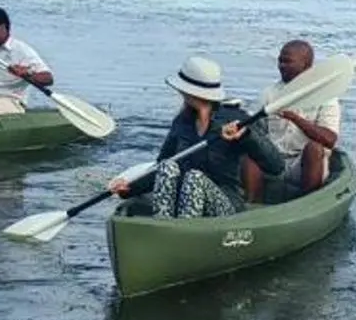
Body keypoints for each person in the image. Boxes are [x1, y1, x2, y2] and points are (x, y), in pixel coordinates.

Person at [110, 54, 293, 218]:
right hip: (182, 203)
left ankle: (187, 231)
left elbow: (276, 166)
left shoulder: (236, 120)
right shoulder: (182, 122)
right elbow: (160, 167)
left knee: (194, 178)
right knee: (167, 166)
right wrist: (129, 188)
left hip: (225, 203)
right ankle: (165, 226)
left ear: (187, 91)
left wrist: (246, 136)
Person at [266, 38, 342, 190]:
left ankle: (310, 199)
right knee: (249, 149)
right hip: (274, 160)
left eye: (287, 62)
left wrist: (295, 118)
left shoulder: (326, 96)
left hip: (303, 163)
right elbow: (256, 131)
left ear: (306, 66)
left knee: (314, 148)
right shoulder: (270, 93)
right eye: (280, 61)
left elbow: (330, 139)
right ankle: (252, 200)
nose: (281, 66)